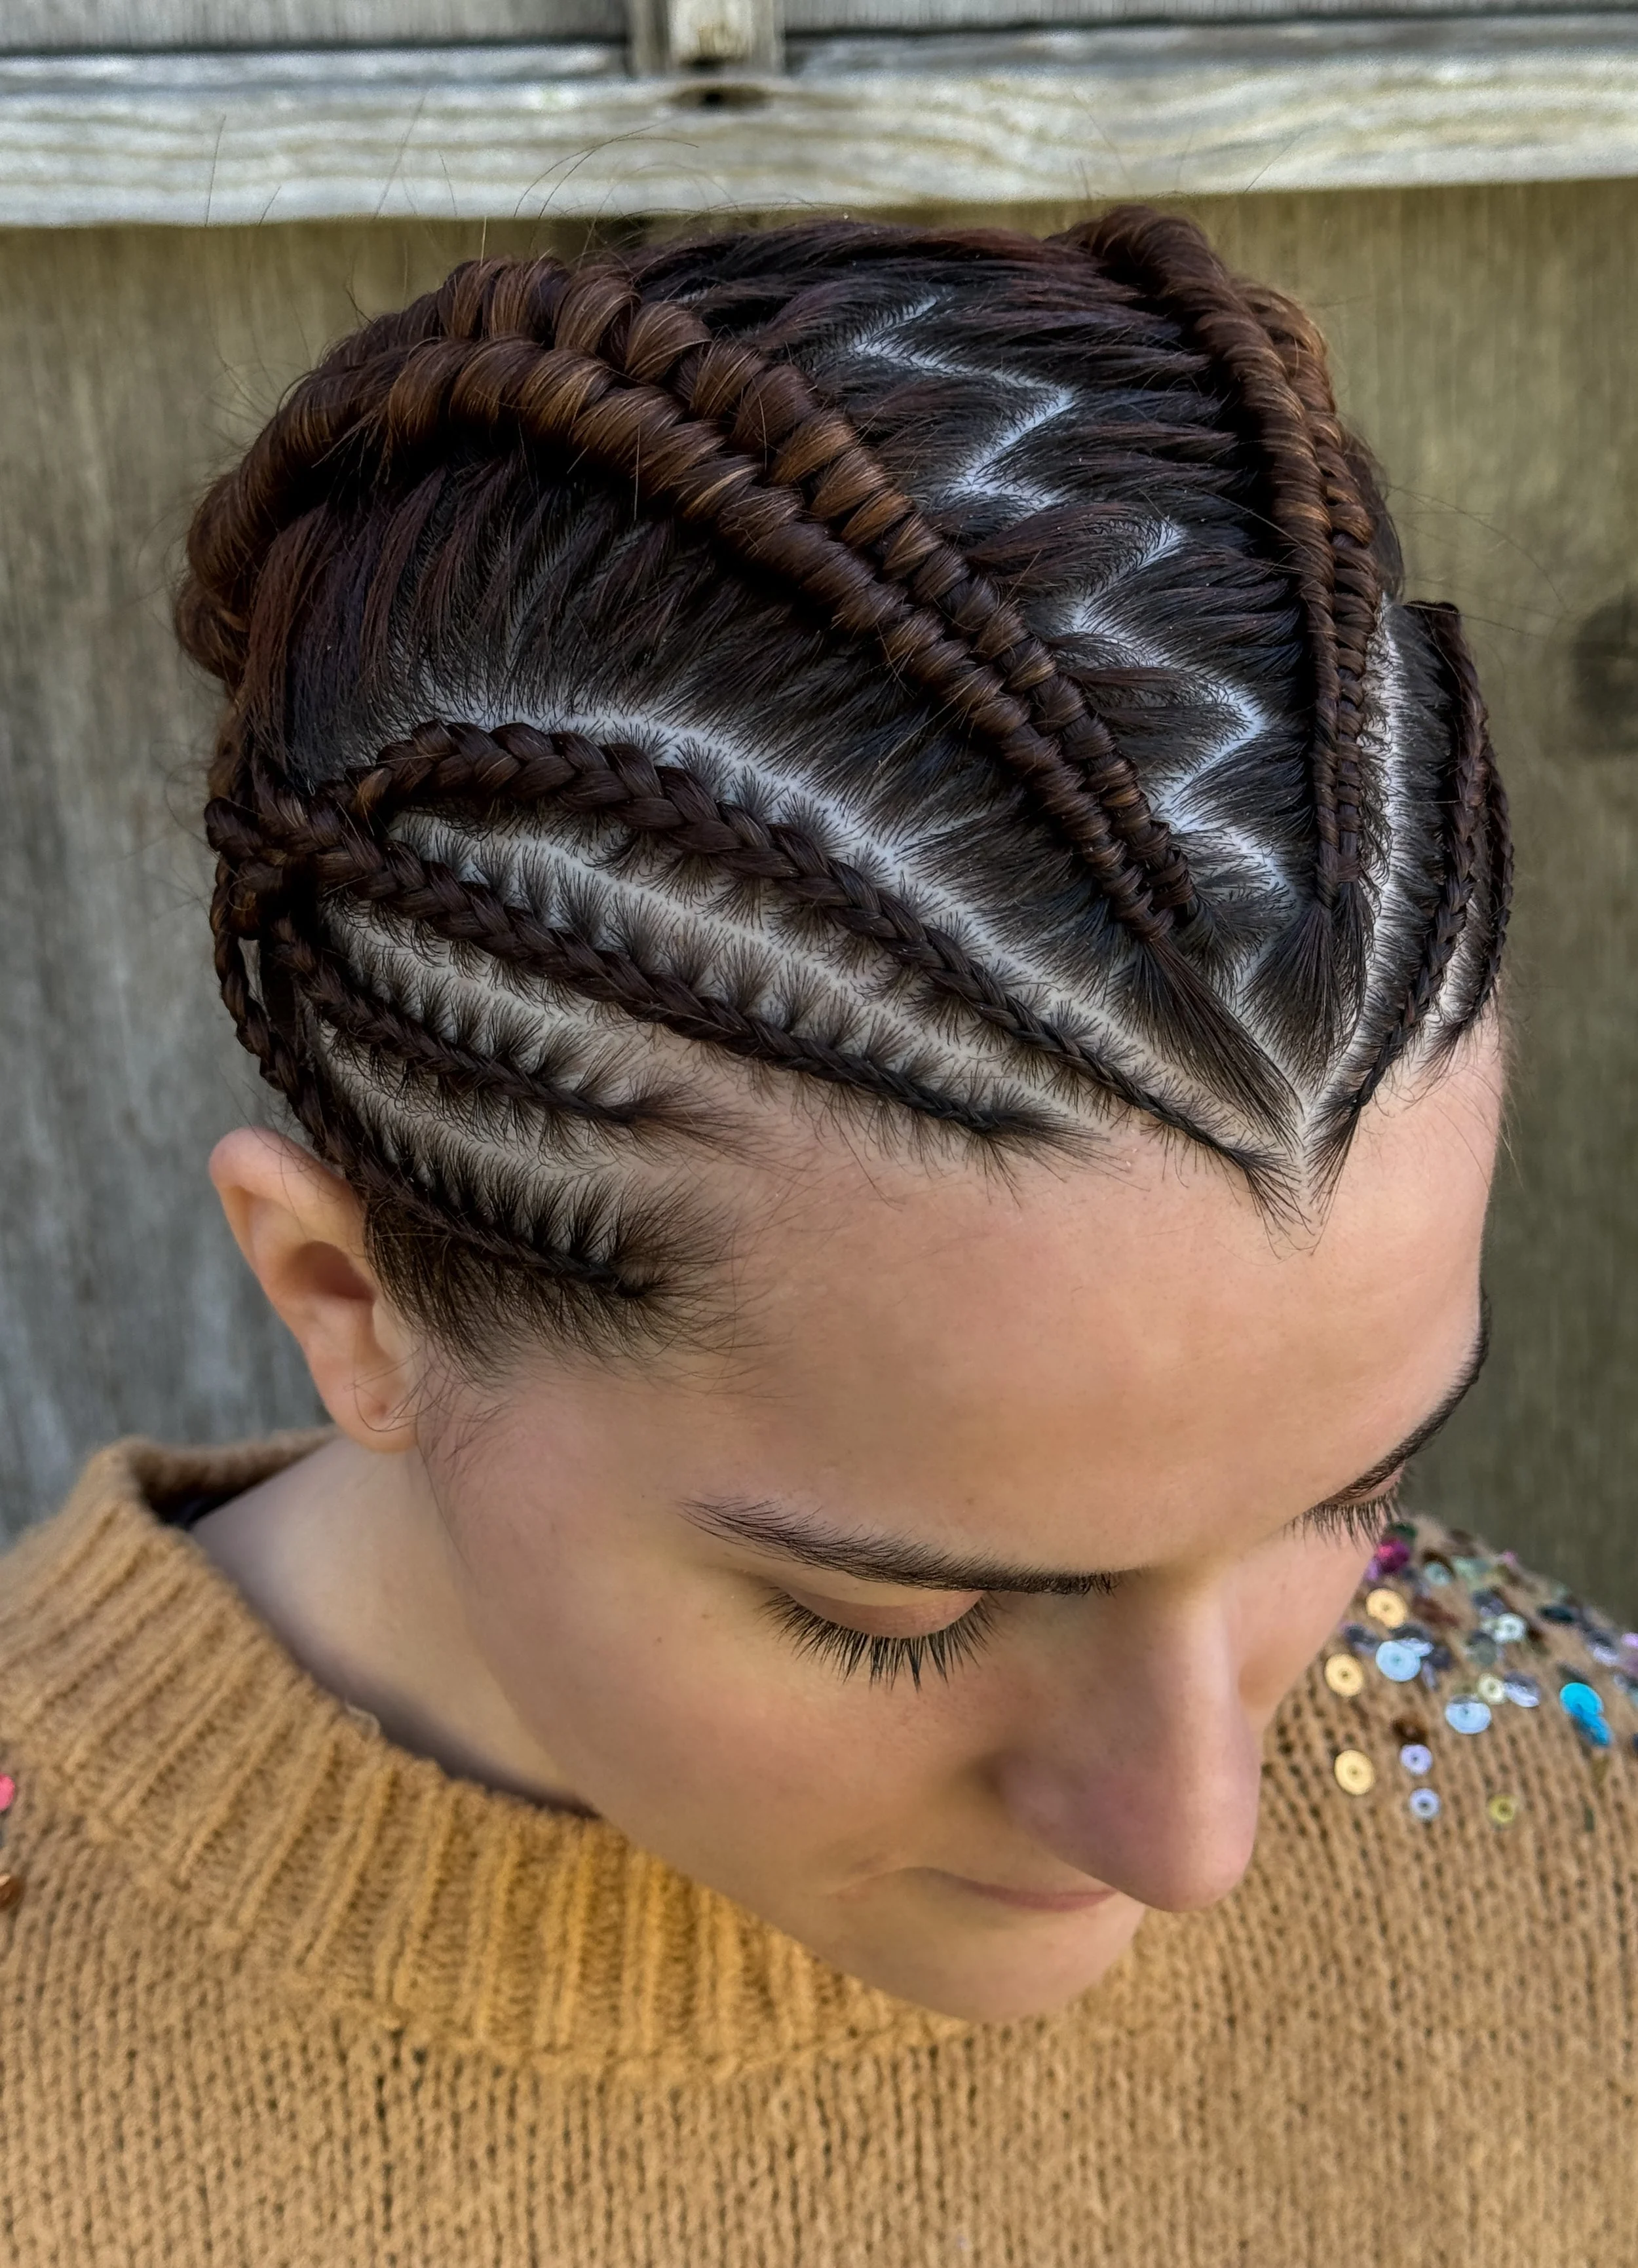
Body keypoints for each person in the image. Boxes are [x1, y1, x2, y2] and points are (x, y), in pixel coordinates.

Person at [1, 207, 1631, 2267]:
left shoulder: (1573, 1830)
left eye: (1353, 1494)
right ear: (353, 1305)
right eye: (904, 1612)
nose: (1192, 1834)